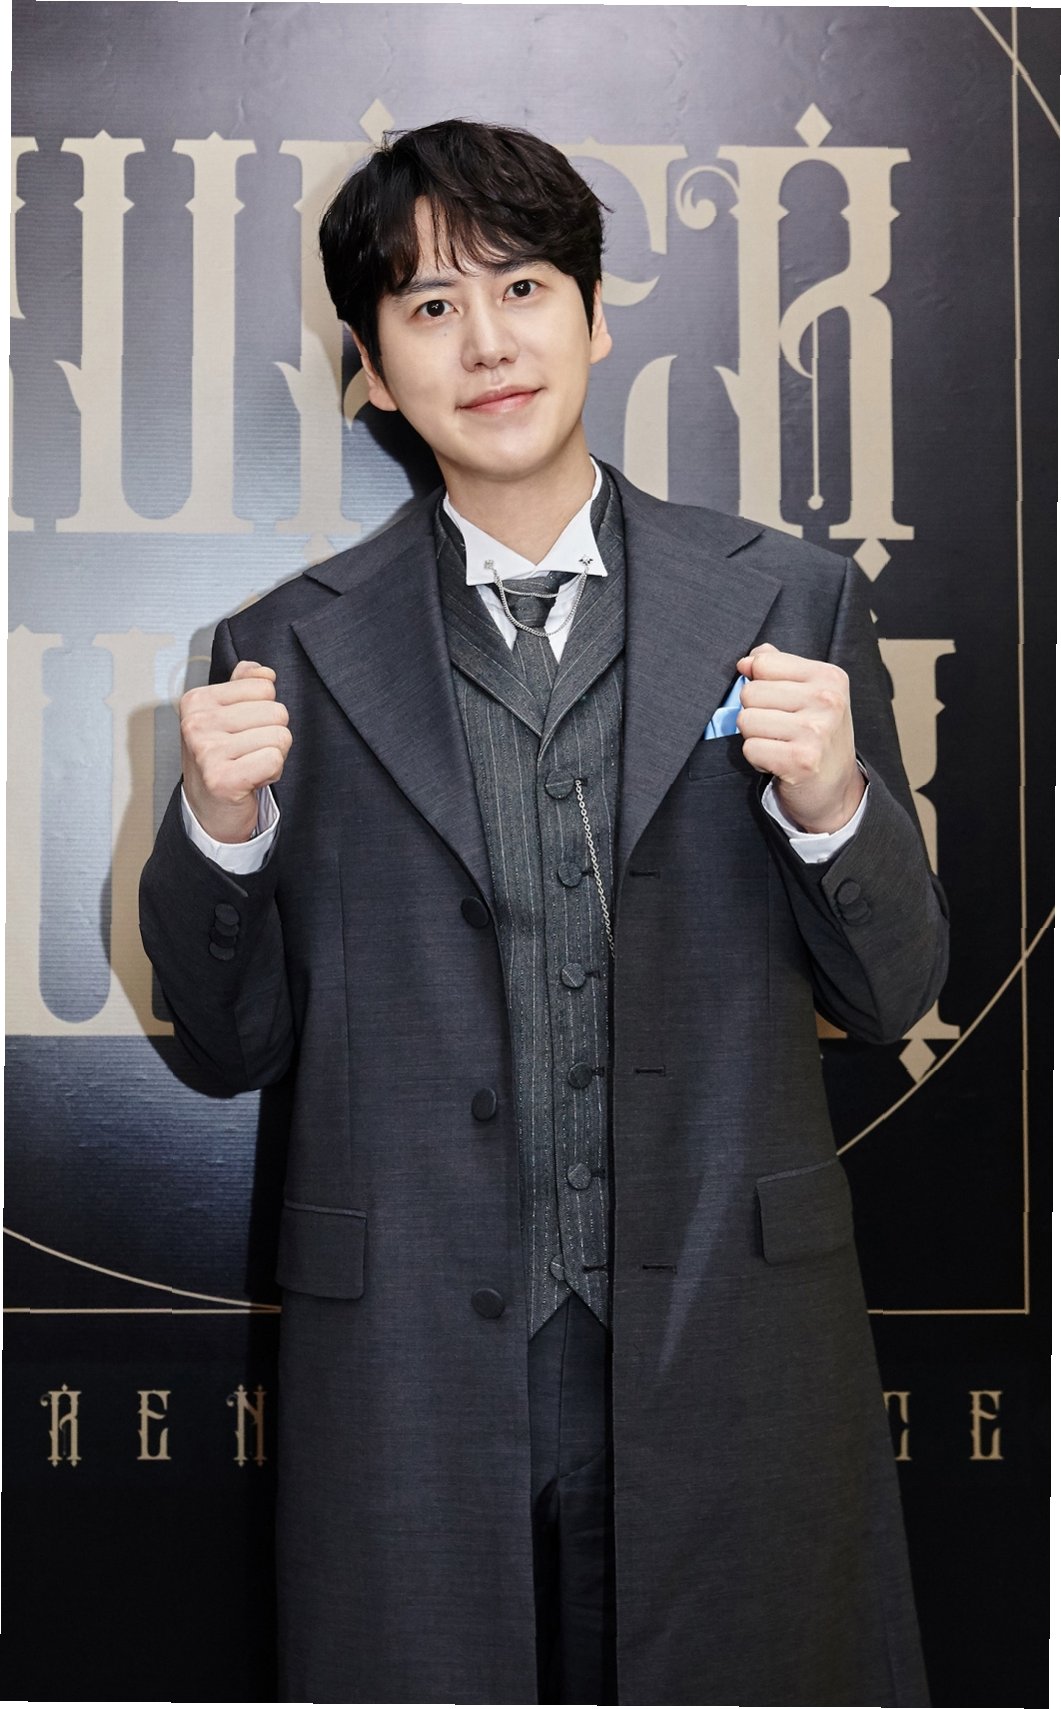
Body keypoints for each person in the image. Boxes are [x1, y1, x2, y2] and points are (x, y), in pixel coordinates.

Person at [140, 119, 948, 1707]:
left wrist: (830, 800)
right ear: (372, 369)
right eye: (429, 306)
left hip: (730, 1332)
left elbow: (895, 985)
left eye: (520, 287)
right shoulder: (278, 649)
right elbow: (226, 1048)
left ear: (592, 316)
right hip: (413, 1368)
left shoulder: (787, 599)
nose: (487, 343)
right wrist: (220, 833)